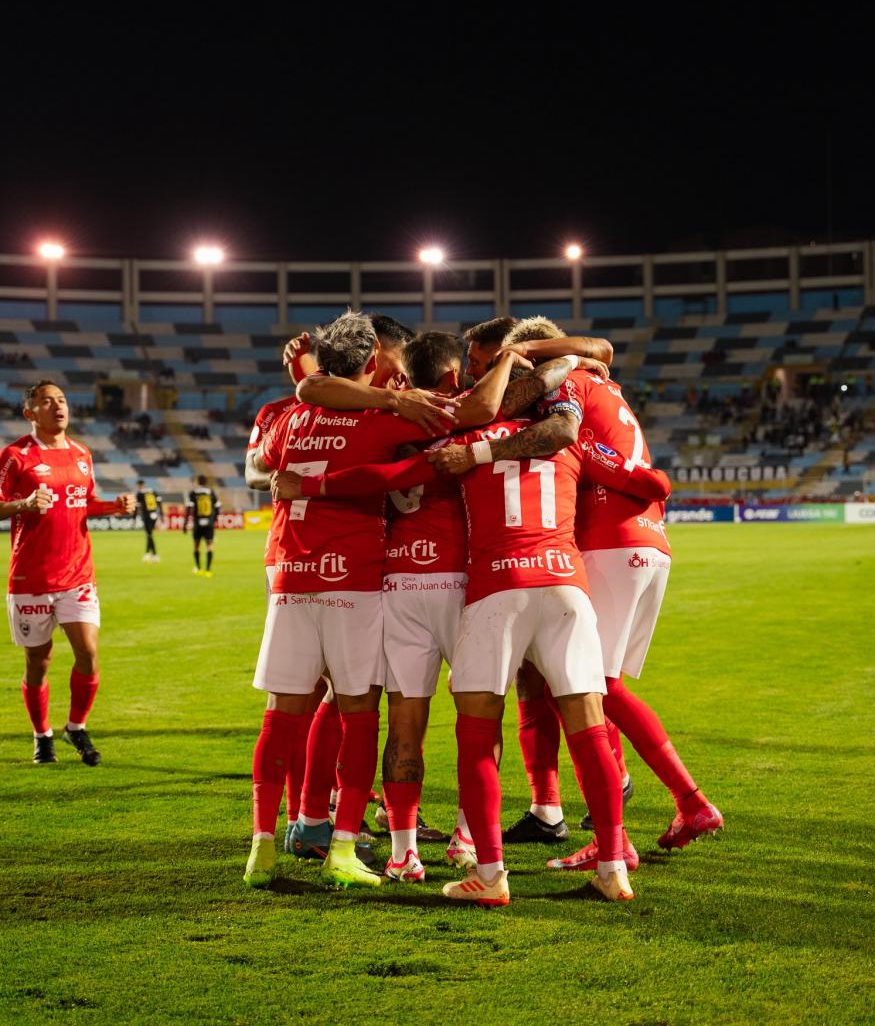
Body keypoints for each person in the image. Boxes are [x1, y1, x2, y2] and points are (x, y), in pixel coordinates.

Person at [282, 414, 671, 903]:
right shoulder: (569, 437)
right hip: (566, 585)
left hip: (497, 590)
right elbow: (650, 481)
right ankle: (613, 867)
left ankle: (488, 875)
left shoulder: (466, 445)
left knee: (477, 728)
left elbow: (389, 478)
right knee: (589, 725)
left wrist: (311, 483)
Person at [483, 316, 723, 857]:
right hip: (647, 542)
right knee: (590, 683)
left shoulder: (568, 384)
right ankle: (618, 827)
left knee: (594, 688)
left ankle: (686, 802)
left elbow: (596, 456)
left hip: (609, 541)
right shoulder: (607, 386)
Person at [242, 312, 448, 890]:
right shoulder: (375, 421)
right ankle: (343, 850)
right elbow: (428, 447)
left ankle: (263, 844)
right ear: (370, 365)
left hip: (290, 577)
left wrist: (308, 379)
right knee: (360, 715)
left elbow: (264, 465)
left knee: (281, 716)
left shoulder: (285, 420)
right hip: (351, 581)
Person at [0, 382, 134, 765]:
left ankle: (76, 726)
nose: (58, 406)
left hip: (78, 575)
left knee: (89, 654)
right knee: (38, 662)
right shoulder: (14, 456)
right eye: (47, 401)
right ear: (30, 413)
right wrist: (23, 504)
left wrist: (114, 506)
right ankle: (42, 735)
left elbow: (85, 502)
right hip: (31, 579)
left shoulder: (81, 453)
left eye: (61, 400)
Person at [183, 476, 221, 575]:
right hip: (209, 523)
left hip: (197, 522)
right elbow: (217, 507)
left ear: (198, 482)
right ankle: (208, 570)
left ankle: (198, 568)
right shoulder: (211, 492)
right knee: (209, 546)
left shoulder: (193, 493)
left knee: (196, 546)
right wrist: (215, 519)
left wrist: (185, 523)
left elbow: (189, 509)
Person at [135, 479, 164, 561]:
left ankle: (155, 554)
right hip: (154, 515)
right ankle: (147, 553)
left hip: (146, 515)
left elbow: (137, 507)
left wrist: (134, 518)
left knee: (149, 535)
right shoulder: (152, 491)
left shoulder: (139, 493)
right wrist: (161, 515)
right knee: (149, 535)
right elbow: (159, 502)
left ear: (139, 485)